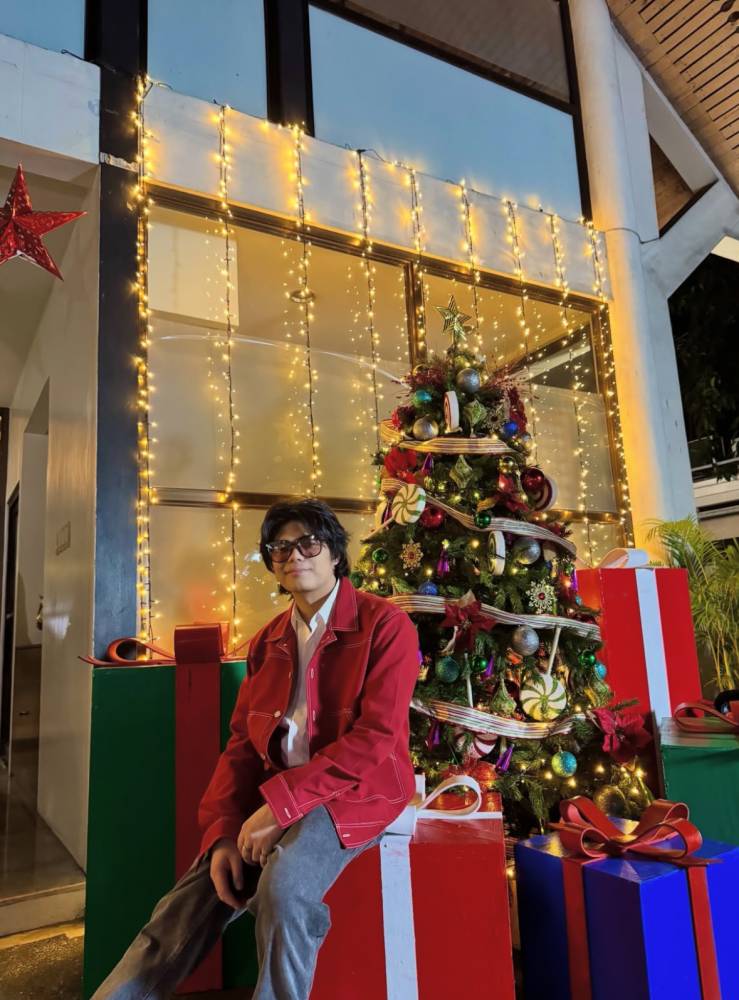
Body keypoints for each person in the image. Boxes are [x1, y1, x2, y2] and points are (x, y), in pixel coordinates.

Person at [93, 498, 420, 999]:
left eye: (308, 543)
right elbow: (243, 746)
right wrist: (223, 831)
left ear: (336, 553)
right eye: (280, 547)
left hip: (357, 791)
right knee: (188, 902)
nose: (294, 555)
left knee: (284, 887)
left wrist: (280, 807)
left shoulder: (385, 625)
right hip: (280, 793)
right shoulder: (268, 641)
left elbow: (375, 737)